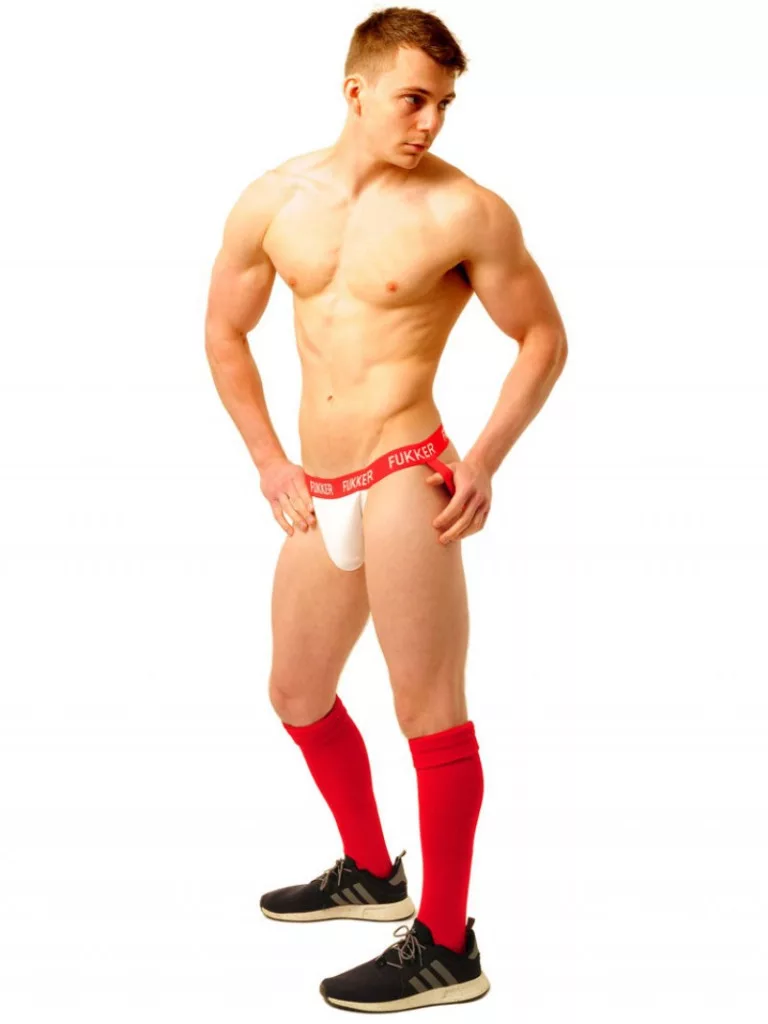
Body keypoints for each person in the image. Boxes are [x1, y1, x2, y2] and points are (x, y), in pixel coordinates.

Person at [204, 6, 567, 1014]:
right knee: (296, 693)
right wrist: (269, 459)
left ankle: (447, 942)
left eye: (444, 103)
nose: (431, 122)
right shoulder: (274, 200)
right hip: (318, 488)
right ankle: (370, 871)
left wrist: (484, 458)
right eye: (414, 99)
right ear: (355, 90)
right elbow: (224, 331)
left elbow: (542, 336)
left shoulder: (466, 211)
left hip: (408, 469)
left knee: (427, 708)